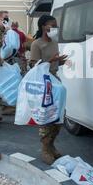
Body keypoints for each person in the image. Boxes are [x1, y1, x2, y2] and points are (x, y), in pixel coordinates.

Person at [30, 15, 68, 165]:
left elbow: (54, 65)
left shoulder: (55, 43)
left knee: (58, 116)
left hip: (55, 81)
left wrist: (61, 61)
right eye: (52, 26)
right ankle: (45, 149)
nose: (55, 29)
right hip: (43, 83)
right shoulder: (36, 45)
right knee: (46, 117)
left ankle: (51, 145)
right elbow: (34, 66)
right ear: (43, 27)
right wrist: (51, 61)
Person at [0, 10, 15, 115]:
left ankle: (8, 104)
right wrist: (5, 34)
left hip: (7, 59)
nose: (7, 20)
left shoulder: (8, 29)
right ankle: (3, 106)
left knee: (7, 81)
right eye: (5, 18)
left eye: (8, 18)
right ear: (0, 18)